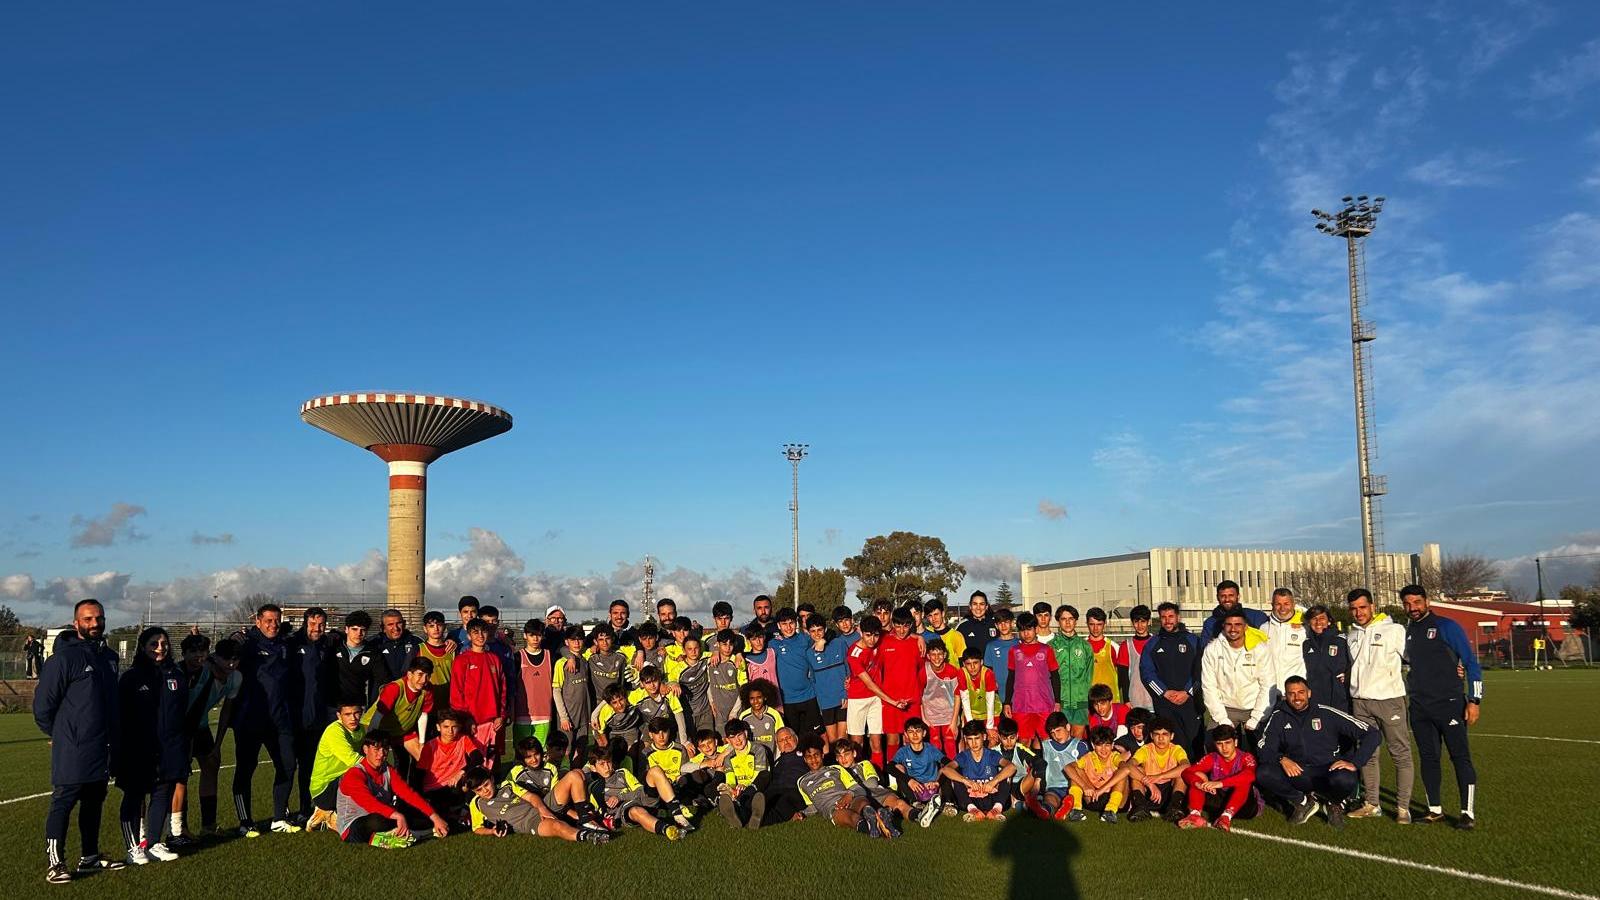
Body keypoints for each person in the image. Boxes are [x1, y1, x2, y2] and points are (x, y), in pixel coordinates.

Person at [35, 599, 123, 883]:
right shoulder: (63, 659)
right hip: (73, 747)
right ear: (76, 624)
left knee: (94, 801)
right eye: (88, 619)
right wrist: (60, 735)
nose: (95, 623)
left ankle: (90, 857)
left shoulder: (109, 657)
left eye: (99, 618)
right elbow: (43, 708)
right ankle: (55, 863)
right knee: (64, 801)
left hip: (102, 746)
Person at [1401, 583, 1483, 829]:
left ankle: (1467, 813)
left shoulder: (1446, 626)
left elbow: (1470, 662)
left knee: (1460, 757)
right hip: (1419, 706)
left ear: (1427, 602)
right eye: (1407, 604)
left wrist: (1474, 700)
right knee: (1428, 758)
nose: (1412, 608)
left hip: (1449, 704)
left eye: (1417, 602)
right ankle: (1433, 809)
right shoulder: (1407, 632)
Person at [1255, 676, 1380, 829]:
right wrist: (1281, 758)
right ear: (1286, 696)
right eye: (1291, 693)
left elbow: (1373, 734)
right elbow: (1263, 748)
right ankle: (1303, 802)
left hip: (1327, 771)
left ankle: (1333, 804)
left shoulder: (1327, 713)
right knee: (1263, 773)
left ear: (1309, 693)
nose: (1297, 697)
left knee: (1345, 778)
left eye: (1301, 692)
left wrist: (1355, 762)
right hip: (1298, 772)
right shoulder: (1278, 717)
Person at [115, 627, 187, 864]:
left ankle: (155, 843)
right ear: (143, 647)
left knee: (161, 794)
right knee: (135, 796)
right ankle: (133, 846)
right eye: (154, 643)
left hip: (169, 748)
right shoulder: (131, 677)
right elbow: (120, 716)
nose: (160, 648)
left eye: (164, 643)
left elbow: (181, 711)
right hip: (138, 748)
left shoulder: (176, 675)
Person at [1346, 588, 1414, 823]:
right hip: (1360, 703)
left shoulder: (1394, 630)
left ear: (1372, 607)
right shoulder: (1351, 634)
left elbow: (1414, 657)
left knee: (1400, 754)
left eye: (1362, 607)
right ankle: (1372, 804)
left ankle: (1403, 808)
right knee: (1368, 755)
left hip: (1389, 701)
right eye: (1353, 609)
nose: (1358, 613)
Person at [232, 603, 301, 837]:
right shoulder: (247, 644)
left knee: (288, 765)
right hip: (251, 721)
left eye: (276, 620)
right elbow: (225, 654)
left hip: (280, 720)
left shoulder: (285, 643)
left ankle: (279, 817)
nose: (273, 625)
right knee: (245, 769)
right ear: (258, 622)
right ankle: (245, 821)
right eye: (268, 621)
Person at [170, 635, 239, 843]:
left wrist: (217, 745)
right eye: (225, 659)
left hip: (201, 726)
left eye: (235, 659)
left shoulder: (235, 677)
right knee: (179, 777)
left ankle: (208, 824)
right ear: (215, 657)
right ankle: (178, 828)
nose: (230, 664)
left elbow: (226, 712)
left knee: (211, 766)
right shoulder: (191, 672)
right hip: (181, 729)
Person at [335, 734, 450, 849]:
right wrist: (398, 816)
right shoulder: (354, 774)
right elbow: (369, 803)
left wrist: (434, 816)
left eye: (385, 749)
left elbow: (408, 794)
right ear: (365, 749)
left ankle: (396, 834)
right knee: (378, 820)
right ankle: (410, 833)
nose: (381, 754)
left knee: (426, 815)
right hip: (353, 828)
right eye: (376, 749)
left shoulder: (387, 769)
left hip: (386, 816)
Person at [461, 767, 608, 843]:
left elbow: (531, 797)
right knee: (557, 827)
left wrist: (543, 808)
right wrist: (492, 831)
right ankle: (589, 836)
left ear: (492, 779)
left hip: (543, 806)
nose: (484, 791)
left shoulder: (507, 785)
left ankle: (585, 819)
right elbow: (477, 828)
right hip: (531, 822)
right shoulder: (477, 804)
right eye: (478, 790)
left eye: (486, 785)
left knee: (574, 775)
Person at [286, 607, 336, 827]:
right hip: (295, 716)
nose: (318, 628)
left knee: (315, 765)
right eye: (314, 624)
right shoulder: (292, 643)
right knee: (289, 766)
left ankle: (312, 807)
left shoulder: (327, 644)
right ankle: (285, 810)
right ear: (305, 623)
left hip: (319, 716)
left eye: (321, 624)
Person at [1199, 609, 1275, 747]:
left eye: (1238, 624)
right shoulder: (1212, 649)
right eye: (1229, 624)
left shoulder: (1260, 649)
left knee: (1260, 748)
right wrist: (1222, 718)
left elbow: (1267, 685)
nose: (1233, 629)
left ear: (1245, 626)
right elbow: (1209, 687)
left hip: (1253, 707)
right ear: (1223, 626)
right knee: (1212, 743)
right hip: (1226, 708)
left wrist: (1256, 717)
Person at [795, 738, 896, 838]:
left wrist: (849, 794)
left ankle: (871, 816)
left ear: (822, 755)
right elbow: (813, 806)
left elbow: (859, 789)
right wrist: (802, 813)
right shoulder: (802, 782)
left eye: (816, 755)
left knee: (862, 801)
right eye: (809, 757)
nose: (813, 760)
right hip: (834, 808)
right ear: (804, 759)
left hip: (850, 799)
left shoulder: (836, 769)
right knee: (850, 817)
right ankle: (876, 824)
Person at [1139, 602, 1204, 758]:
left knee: (1195, 743)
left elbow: (1201, 670)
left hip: (1190, 702)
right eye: (1163, 617)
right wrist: (1164, 692)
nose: (1168, 621)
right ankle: (1176, 779)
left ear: (1178, 617)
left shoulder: (1193, 640)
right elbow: (1147, 673)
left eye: (1171, 616)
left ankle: (1197, 778)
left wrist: (1188, 692)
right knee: (1172, 746)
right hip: (1165, 704)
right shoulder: (1152, 644)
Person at [1177, 724, 1262, 831]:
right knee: (1197, 777)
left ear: (1235, 742)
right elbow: (1187, 772)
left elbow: (1249, 775)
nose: (1224, 748)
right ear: (1215, 745)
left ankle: (1226, 817)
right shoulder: (1212, 757)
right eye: (1219, 744)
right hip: (1219, 800)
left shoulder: (1246, 757)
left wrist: (1220, 783)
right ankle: (1195, 815)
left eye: (1227, 743)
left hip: (1244, 806)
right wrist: (1198, 783)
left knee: (1243, 782)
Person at [587, 750, 684, 840]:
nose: (607, 767)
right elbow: (594, 812)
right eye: (602, 764)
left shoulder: (622, 773)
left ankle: (678, 815)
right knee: (636, 811)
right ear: (593, 768)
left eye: (608, 762)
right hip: (627, 811)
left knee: (655, 770)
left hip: (644, 800)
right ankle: (668, 830)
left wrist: (619, 797)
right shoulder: (595, 789)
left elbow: (639, 791)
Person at [362, 658, 435, 775]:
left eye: (428, 676)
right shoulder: (394, 688)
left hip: (403, 730)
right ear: (409, 674)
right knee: (379, 762)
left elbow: (423, 714)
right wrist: (371, 740)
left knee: (424, 758)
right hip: (377, 729)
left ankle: (422, 788)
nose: (423, 680)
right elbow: (377, 716)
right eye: (420, 675)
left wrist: (422, 742)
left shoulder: (427, 689)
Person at [450, 618, 507, 764]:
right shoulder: (461, 661)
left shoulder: (494, 659)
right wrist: (466, 719)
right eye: (475, 632)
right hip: (472, 723)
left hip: (493, 722)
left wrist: (501, 715)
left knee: (493, 764)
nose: (480, 635)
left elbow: (502, 690)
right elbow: (456, 694)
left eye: (483, 632)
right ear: (469, 636)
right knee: (471, 764)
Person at [1004, 612, 1061, 748]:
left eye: (1029, 629)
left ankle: (1045, 768)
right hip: (1021, 704)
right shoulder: (1014, 651)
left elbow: (1055, 676)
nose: (1026, 633)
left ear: (1035, 629)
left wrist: (1057, 701)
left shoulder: (1046, 650)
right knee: (1023, 741)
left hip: (1044, 703)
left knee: (1047, 740)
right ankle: (1024, 769)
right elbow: (1011, 677)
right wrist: (1007, 702)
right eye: (1022, 630)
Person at [305, 703, 364, 832]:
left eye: (356, 713)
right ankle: (327, 809)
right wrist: (384, 770)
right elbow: (352, 759)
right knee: (357, 774)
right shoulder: (334, 731)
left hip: (339, 784)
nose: (353, 718)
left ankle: (326, 814)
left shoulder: (361, 730)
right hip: (324, 790)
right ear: (339, 715)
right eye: (347, 714)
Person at [942, 720, 1016, 821]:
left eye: (977, 738)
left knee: (1006, 774)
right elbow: (946, 769)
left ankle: (996, 810)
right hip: (971, 800)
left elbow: (1012, 767)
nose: (974, 743)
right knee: (954, 775)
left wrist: (993, 782)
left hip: (993, 799)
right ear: (965, 739)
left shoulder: (992, 754)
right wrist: (966, 781)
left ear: (984, 737)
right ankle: (972, 810)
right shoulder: (963, 756)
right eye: (970, 739)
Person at [416, 709, 484, 816]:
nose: (450, 731)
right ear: (438, 727)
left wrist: (461, 772)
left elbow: (478, 758)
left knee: (478, 776)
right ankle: (459, 811)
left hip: (456, 783)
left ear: (459, 727)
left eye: (454, 727)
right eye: (446, 727)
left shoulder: (463, 739)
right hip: (435, 789)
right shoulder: (430, 746)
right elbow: (419, 774)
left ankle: (465, 810)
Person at [1122, 716, 1189, 823]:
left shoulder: (1176, 749)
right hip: (1149, 792)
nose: (1161, 738)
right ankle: (1140, 807)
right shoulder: (1146, 749)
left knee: (1182, 774)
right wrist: (1150, 784)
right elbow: (1128, 766)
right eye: (1157, 734)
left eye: (1165, 734)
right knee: (1137, 770)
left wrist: (1159, 776)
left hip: (1169, 793)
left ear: (1172, 736)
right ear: (1151, 736)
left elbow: (1186, 766)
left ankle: (1175, 807)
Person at [877, 608, 926, 752]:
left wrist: (918, 695)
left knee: (911, 739)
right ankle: (893, 774)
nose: (902, 630)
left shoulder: (917, 644)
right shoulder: (884, 642)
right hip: (891, 701)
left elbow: (922, 672)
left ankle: (913, 773)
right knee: (892, 740)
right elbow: (878, 671)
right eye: (898, 626)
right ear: (892, 624)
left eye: (905, 625)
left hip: (912, 701)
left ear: (911, 624)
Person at [1025, 712, 1086, 820]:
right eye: (1052, 733)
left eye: (1058, 731)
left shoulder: (1079, 745)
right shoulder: (1046, 745)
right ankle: (1044, 811)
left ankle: (1069, 806)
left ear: (1067, 727)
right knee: (1049, 799)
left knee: (1074, 795)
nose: (1056, 736)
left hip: (1075, 787)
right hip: (1054, 787)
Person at [770, 609, 821, 736]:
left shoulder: (805, 639)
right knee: (794, 737)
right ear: (778, 626)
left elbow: (823, 638)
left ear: (796, 623)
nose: (788, 627)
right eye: (784, 624)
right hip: (787, 701)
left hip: (809, 696)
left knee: (816, 735)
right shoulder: (773, 644)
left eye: (791, 623)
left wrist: (823, 641)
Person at [890, 717, 949, 820]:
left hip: (933, 787)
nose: (915, 734)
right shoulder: (903, 751)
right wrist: (909, 780)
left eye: (918, 731)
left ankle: (948, 803)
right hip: (915, 788)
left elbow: (949, 763)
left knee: (947, 770)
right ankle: (915, 803)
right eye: (911, 732)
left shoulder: (930, 749)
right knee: (898, 768)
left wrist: (937, 782)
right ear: (906, 735)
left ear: (924, 733)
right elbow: (889, 767)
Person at [1065, 726, 1128, 823]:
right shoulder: (1088, 757)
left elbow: (1126, 769)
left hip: (1114, 799)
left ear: (1112, 745)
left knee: (1122, 774)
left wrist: (1101, 790)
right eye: (1099, 745)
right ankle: (1076, 809)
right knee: (1076, 770)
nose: (1104, 749)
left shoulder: (1115, 756)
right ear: (1093, 746)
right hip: (1093, 798)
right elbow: (1067, 767)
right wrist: (1085, 786)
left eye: (1107, 745)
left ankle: (1110, 812)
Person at [1048, 605, 1093, 739]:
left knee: (1077, 740)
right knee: (1061, 740)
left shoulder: (1085, 646)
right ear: (1058, 621)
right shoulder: (1051, 646)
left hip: (1081, 701)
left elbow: (1089, 675)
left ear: (1076, 621)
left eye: (1071, 619)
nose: (1067, 622)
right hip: (1060, 702)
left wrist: (1086, 699)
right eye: (1063, 619)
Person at [716, 719, 771, 829]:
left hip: (757, 786)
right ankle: (744, 816)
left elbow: (759, 775)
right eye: (732, 737)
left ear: (745, 734)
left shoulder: (758, 750)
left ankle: (738, 810)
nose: (737, 740)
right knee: (738, 796)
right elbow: (730, 779)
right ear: (728, 740)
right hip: (740, 791)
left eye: (739, 735)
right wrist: (731, 789)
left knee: (764, 776)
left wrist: (746, 787)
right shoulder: (728, 757)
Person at [551, 625, 594, 760]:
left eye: (579, 639)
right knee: (565, 751)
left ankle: (579, 778)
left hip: (584, 716)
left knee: (581, 750)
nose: (576, 643)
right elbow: (556, 691)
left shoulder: (585, 660)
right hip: (568, 717)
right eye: (572, 640)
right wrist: (563, 717)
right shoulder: (561, 663)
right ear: (566, 642)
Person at [511, 619, 554, 748]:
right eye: (531, 635)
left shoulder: (550, 656)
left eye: (539, 635)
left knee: (542, 753)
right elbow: (512, 689)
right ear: (525, 635)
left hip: (544, 714)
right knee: (521, 753)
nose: (535, 639)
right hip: (522, 715)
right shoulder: (518, 657)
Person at [1301, 604, 1352, 712]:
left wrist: (1348, 675)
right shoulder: (1306, 643)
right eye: (1314, 619)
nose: (1318, 622)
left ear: (1329, 620)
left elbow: (1354, 662)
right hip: (1316, 698)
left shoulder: (1341, 639)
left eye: (1322, 618)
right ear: (1309, 623)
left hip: (1339, 697)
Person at [1260, 588, 1306, 707]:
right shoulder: (1263, 628)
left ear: (1293, 604)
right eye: (1278, 604)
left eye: (1286, 604)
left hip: (1294, 694)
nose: (1282, 608)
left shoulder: (1304, 628)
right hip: (1270, 693)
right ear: (1272, 605)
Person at [329, 610, 380, 708]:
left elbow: (382, 680)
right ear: (346, 629)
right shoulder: (333, 648)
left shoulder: (373, 653)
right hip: (333, 706)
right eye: (354, 629)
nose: (359, 633)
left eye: (363, 630)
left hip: (357, 707)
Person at [1200, 580, 1268, 646]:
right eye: (1223, 596)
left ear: (1238, 596)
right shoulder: (1210, 623)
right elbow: (1205, 648)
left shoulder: (1256, 617)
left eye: (1231, 595)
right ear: (1217, 597)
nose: (1227, 599)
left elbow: (1267, 642)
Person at [670, 634, 714, 736]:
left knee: (708, 741)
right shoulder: (678, 669)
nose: (693, 652)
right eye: (689, 649)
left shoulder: (705, 658)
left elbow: (719, 653)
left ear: (700, 648)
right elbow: (670, 681)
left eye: (696, 648)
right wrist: (674, 684)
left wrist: (716, 652)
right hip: (688, 713)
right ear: (684, 651)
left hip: (705, 711)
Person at [1113, 605, 1155, 710]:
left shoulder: (1156, 643)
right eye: (1136, 621)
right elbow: (1123, 676)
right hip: (1134, 701)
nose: (1140, 625)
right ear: (1132, 623)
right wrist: (1126, 700)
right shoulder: (1126, 645)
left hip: (1154, 700)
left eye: (1143, 621)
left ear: (1149, 622)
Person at [368, 609, 423, 683]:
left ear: (404, 624)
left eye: (399, 623)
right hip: (381, 692)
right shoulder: (373, 644)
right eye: (390, 624)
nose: (396, 628)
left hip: (408, 692)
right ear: (383, 628)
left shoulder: (416, 642)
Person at [417, 611, 456, 713]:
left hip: (449, 704)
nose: (436, 629)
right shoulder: (418, 650)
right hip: (426, 704)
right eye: (431, 626)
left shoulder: (453, 650)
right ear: (425, 629)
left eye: (439, 625)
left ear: (445, 627)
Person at [958, 649, 999, 741]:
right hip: (972, 712)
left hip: (992, 711)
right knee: (970, 740)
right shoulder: (961, 673)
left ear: (981, 662)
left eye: (975, 663)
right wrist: (970, 724)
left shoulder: (988, 674)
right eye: (968, 664)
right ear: (964, 664)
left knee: (993, 739)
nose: (972, 667)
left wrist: (989, 726)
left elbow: (990, 701)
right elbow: (964, 699)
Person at [983, 607, 1019, 704]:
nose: (1003, 626)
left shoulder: (1020, 644)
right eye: (1000, 623)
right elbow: (988, 671)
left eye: (1006, 622)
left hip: (1019, 694)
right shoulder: (991, 646)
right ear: (996, 625)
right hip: (999, 695)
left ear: (1012, 623)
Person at [1084, 609, 1121, 703]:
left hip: (1110, 701)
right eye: (1092, 624)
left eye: (1099, 624)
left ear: (1105, 624)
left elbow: (1122, 675)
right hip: (1089, 700)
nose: (1095, 628)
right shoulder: (1081, 647)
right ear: (1087, 624)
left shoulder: (1114, 647)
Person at [737, 678, 784, 749]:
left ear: (765, 697)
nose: (755, 701)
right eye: (752, 698)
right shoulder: (744, 716)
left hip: (772, 758)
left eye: (759, 697)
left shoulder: (774, 714)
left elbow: (781, 735)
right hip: (753, 758)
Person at [956, 590, 999, 659]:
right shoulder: (962, 626)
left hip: (992, 669)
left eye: (981, 604)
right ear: (970, 606)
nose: (978, 608)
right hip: (971, 669)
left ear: (986, 607)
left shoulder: (995, 623)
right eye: (975, 604)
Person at [923, 600, 967, 665]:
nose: (933, 618)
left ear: (943, 613)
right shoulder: (926, 633)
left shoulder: (956, 636)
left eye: (936, 614)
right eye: (930, 616)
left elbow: (963, 662)